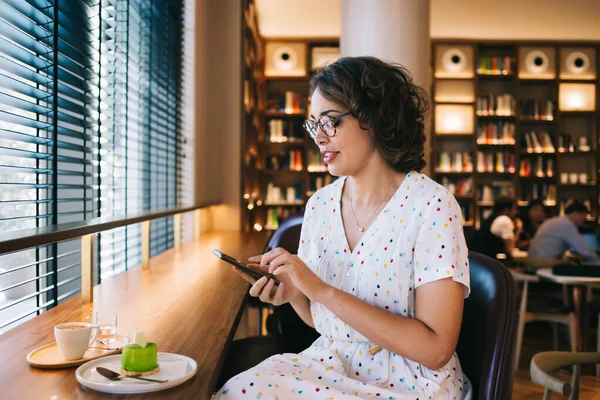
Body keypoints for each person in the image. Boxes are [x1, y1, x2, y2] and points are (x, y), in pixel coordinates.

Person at [215, 57, 471, 399]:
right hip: (332, 364)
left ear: (375, 118)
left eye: (331, 122)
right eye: (314, 125)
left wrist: (320, 290)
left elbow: (436, 350)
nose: (319, 138)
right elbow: (330, 325)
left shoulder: (431, 206)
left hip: (410, 381)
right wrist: (293, 295)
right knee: (239, 391)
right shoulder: (319, 206)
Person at [528, 201, 600, 261]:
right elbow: (584, 250)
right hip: (543, 264)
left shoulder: (556, 221)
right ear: (576, 213)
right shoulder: (566, 224)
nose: (583, 221)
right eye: (584, 217)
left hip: (536, 262)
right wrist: (597, 261)